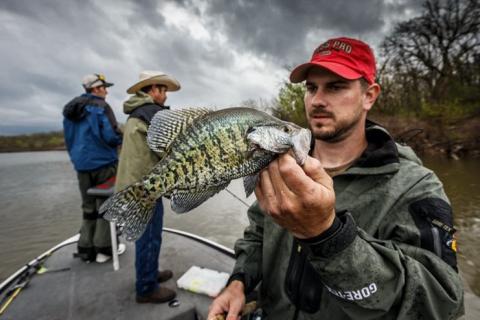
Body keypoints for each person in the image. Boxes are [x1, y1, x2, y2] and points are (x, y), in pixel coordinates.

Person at [208, 37, 464, 319]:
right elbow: (257, 233)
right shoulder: (276, 162)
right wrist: (238, 282)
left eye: (336, 86)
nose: (317, 100)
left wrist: (327, 235)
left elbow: (441, 303)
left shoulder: (415, 186)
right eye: (311, 88)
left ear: (370, 95)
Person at [115, 70, 180, 303]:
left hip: (136, 185)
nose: (165, 95)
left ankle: (149, 274)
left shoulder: (136, 112)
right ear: (152, 90)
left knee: (149, 235)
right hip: (143, 189)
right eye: (162, 90)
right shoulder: (152, 113)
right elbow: (170, 148)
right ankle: (145, 288)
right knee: (149, 236)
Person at [63, 73, 125, 263]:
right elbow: (110, 136)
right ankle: (104, 248)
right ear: (96, 89)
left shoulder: (70, 109)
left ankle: (85, 248)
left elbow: (69, 139)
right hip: (104, 163)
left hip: (81, 165)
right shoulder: (102, 107)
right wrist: (122, 139)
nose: (106, 91)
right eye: (104, 87)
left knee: (88, 207)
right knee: (105, 206)